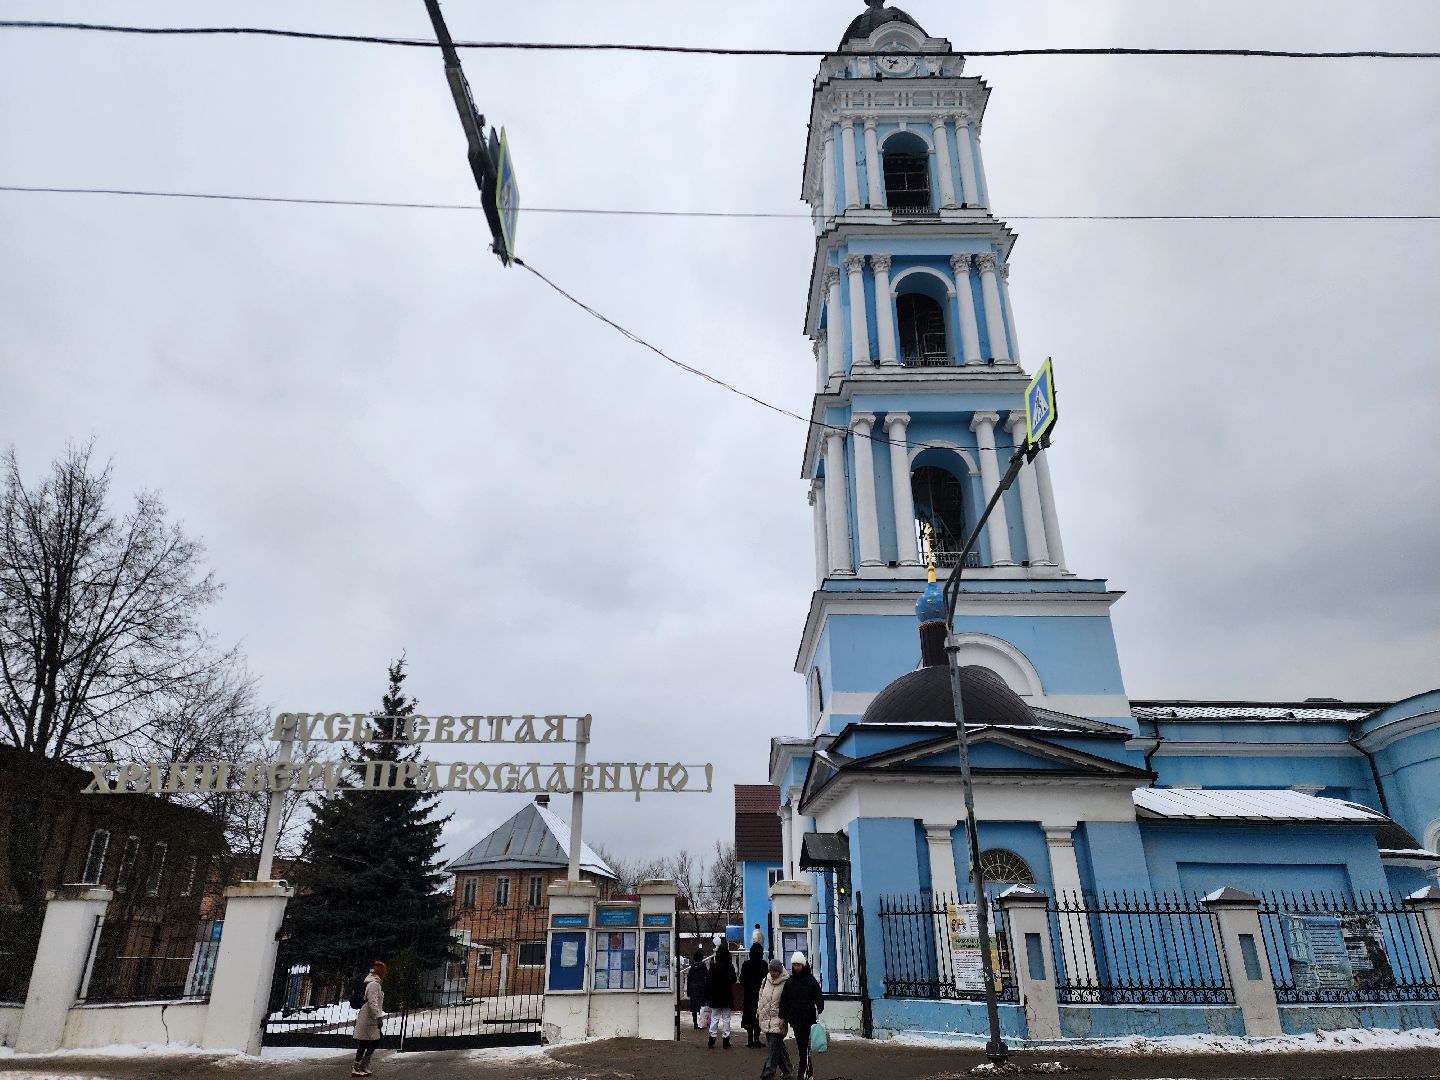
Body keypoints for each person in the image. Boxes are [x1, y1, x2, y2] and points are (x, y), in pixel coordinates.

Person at [778, 952, 823, 1080]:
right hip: (796, 1021)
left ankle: (801, 1075)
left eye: (798, 964)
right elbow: (784, 1001)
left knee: (805, 1050)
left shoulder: (811, 981)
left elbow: (819, 1000)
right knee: (802, 1049)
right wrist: (782, 1016)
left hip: (809, 1021)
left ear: (803, 964)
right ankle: (809, 1074)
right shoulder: (790, 982)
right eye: (794, 965)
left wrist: (814, 1008)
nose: (796, 967)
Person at [757, 957, 793, 1080]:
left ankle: (767, 1075)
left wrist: (784, 1017)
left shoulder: (786, 982)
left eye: (775, 971)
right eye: (771, 970)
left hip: (779, 1021)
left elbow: (788, 1002)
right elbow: (761, 998)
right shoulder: (765, 981)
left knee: (772, 1051)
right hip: (766, 1019)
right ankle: (787, 1070)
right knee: (778, 1048)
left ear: (780, 971)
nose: (773, 973)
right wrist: (759, 1013)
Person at [351, 959, 386, 1077]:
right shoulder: (373, 984)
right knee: (366, 1042)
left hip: (371, 1017)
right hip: (369, 1017)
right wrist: (378, 1017)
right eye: (384, 971)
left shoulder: (375, 983)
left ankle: (364, 1064)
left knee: (372, 1041)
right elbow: (372, 1002)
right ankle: (357, 1066)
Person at [704, 938, 738, 1048]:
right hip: (727, 995)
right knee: (726, 1018)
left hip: (715, 996)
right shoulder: (730, 966)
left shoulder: (714, 967)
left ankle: (712, 1038)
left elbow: (709, 981)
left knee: (715, 1017)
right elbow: (733, 980)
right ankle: (725, 1039)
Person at [739, 941, 767, 1047]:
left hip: (749, 995)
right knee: (758, 1016)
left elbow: (742, 979)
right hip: (760, 995)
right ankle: (756, 1039)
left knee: (749, 1016)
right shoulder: (763, 964)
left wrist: (748, 986)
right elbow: (767, 980)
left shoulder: (746, 964)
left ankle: (750, 1040)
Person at [686, 944, 709, 1029]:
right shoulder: (703, 967)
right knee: (701, 1007)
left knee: (694, 1008)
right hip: (701, 990)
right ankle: (701, 1023)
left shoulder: (692, 968)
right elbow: (707, 977)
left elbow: (689, 980)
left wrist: (688, 991)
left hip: (693, 989)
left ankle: (695, 1023)